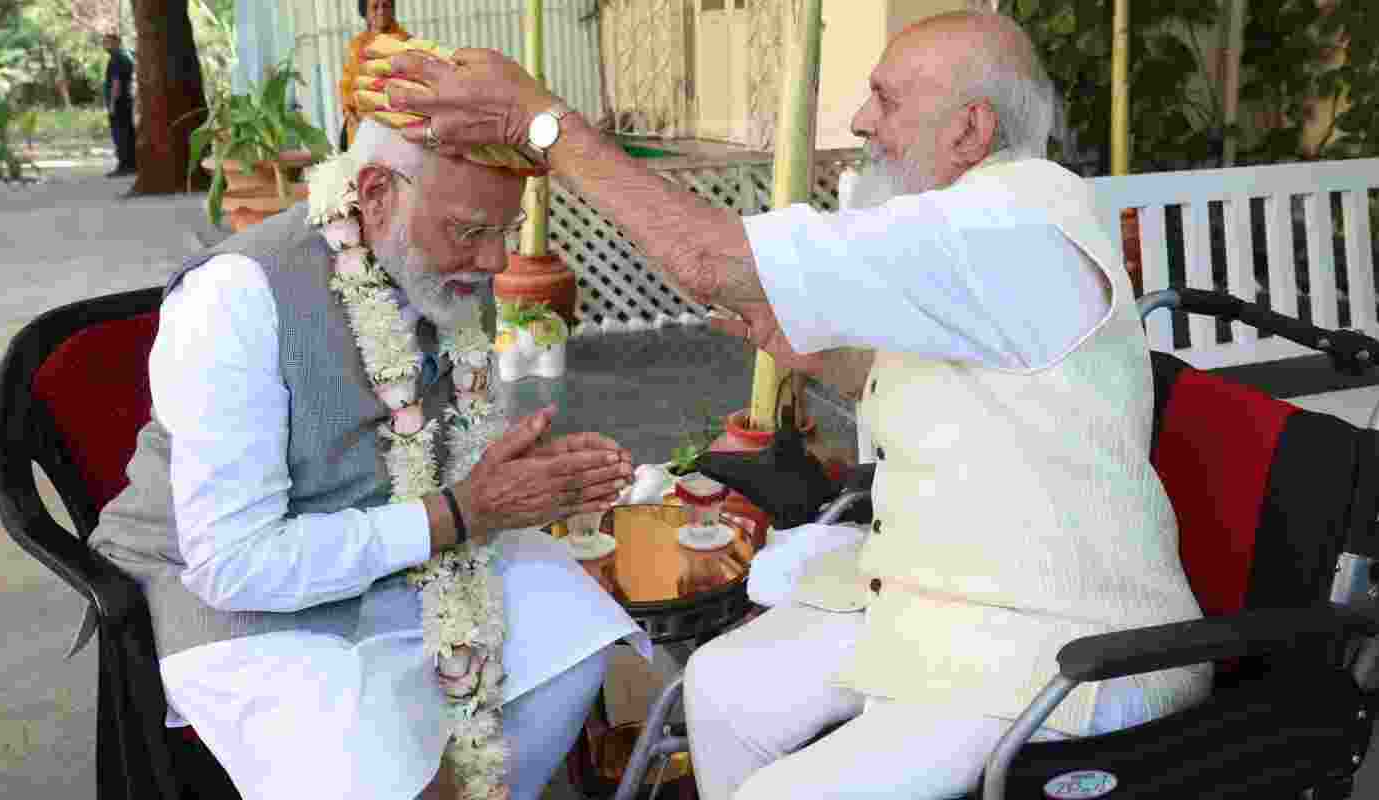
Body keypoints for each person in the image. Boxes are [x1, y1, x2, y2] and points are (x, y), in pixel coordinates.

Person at [376, 8, 1213, 799]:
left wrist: (538, 122)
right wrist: (818, 361)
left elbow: (713, 260)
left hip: (1057, 648)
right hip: (943, 601)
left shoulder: (1005, 230)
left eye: (887, 98)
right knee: (723, 687)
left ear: (970, 130)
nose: (861, 119)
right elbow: (953, 392)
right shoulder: (981, 227)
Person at [72, 65, 652, 799]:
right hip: (234, 597)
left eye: (504, 231)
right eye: (470, 230)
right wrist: (461, 512)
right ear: (375, 193)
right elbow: (234, 564)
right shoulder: (233, 298)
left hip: (401, 547)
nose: (497, 261)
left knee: (575, 626)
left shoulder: (446, 272)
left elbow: (443, 447)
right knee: (363, 752)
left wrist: (522, 479)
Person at [103, 33, 136, 177]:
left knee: (120, 134)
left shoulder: (117, 58)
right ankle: (132, 164)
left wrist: (112, 103)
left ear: (116, 43)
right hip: (127, 101)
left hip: (119, 102)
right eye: (104, 42)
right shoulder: (127, 56)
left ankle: (125, 165)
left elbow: (116, 82)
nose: (104, 45)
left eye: (107, 42)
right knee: (128, 133)